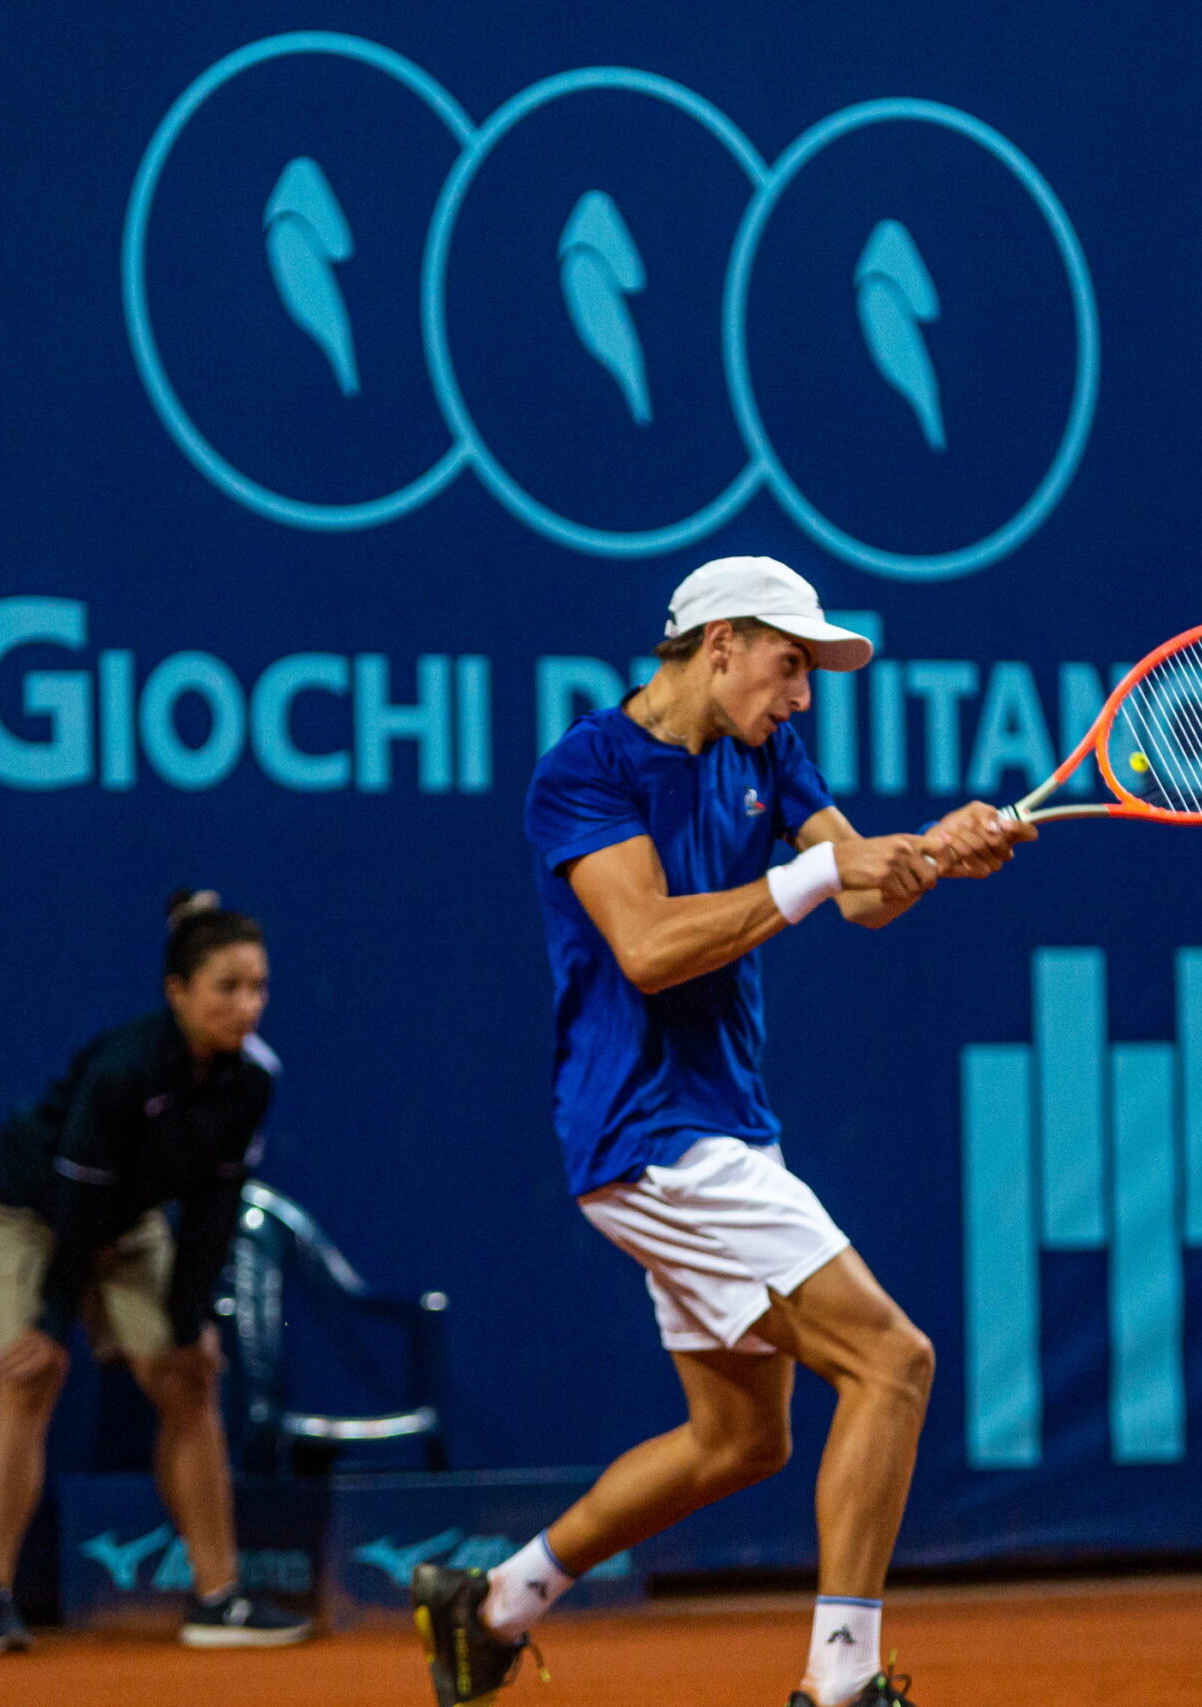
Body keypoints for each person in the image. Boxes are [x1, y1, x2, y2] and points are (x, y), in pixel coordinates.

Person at [412, 556, 1031, 1707]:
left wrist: (939, 853)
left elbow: (860, 893)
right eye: (789, 666)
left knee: (741, 1439)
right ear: (719, 644)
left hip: (723, 1123)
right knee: (892, 1362)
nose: (800, 696)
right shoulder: (585, 770)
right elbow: (648, 948)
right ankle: (839, 1685)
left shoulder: (766, 753)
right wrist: (823, 871)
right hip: (651, 1132)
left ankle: (491, 1606)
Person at [0, 891, 313, 1654]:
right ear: (177, 991)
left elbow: (215, 1206)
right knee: (31, 1374)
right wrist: (50, 1321)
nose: (247, 1006)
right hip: (24, 1211)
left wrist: (189, 1323)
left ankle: (219, 1597)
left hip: (124, 1222)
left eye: (258, 987)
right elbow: (78, 1200)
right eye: (227, 987)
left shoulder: (253, 1080)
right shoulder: (124, 1068)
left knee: (188, 1378)